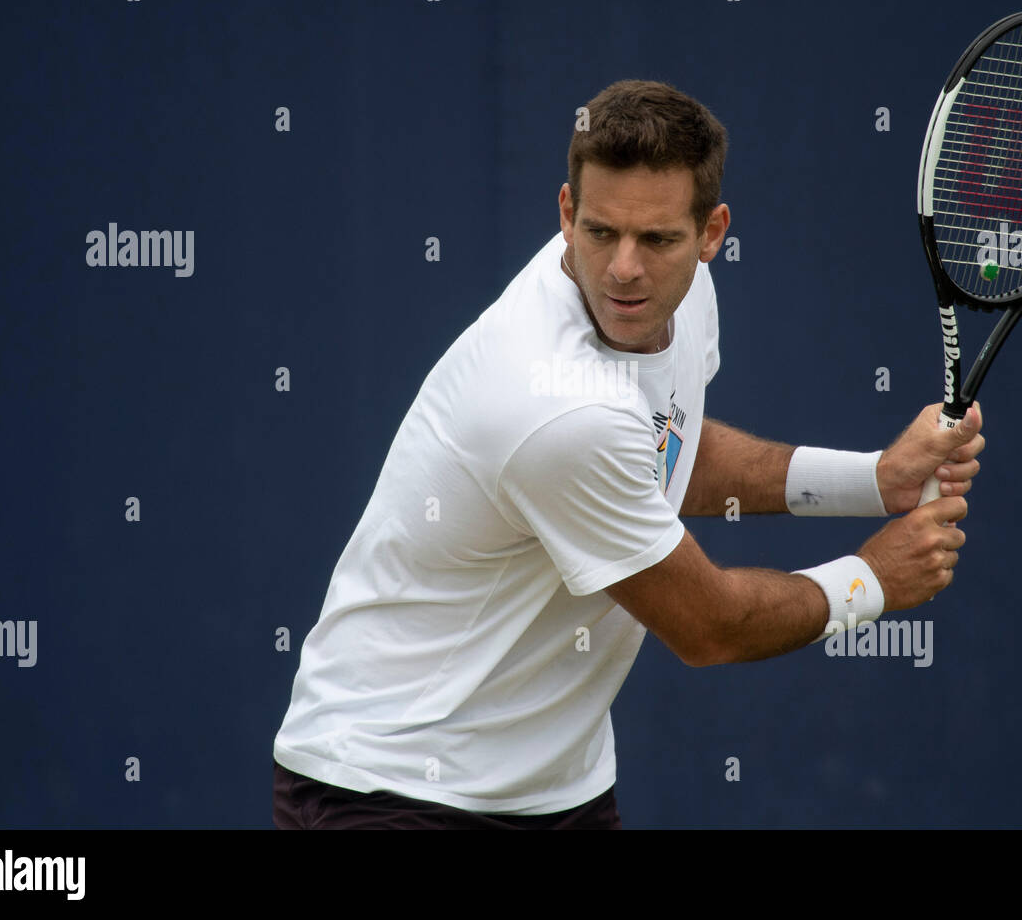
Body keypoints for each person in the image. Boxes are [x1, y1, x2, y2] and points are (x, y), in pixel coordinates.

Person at [272, 79, 984, 830]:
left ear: (712, 234)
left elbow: (663, 458)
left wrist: (872, 480)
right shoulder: (556, 406)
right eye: (601, 232)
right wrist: (872, 578)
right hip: (388, 786)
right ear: (566, 213)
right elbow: (710, 626)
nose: (623, 270)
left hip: (559, 789)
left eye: (658, 239)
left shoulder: (681, 303)